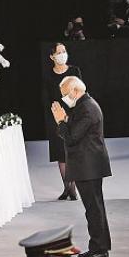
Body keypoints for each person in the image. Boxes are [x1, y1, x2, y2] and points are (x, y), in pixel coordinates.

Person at [51, 76, 112, 257]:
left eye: (65, 94)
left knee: (93, 209)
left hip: (89, 167)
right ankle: (101, 246)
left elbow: (71, 137)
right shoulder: (83, 105)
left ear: (76, 91)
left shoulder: (87, 108)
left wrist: (61, 121)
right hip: (88, 165)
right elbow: (72, 132)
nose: (64, 99)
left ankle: (99, 249)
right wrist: (63, 121)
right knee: (95, 208)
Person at [43, 43, 81, 200]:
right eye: (59, 52)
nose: (62, 54)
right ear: (52, 57)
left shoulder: (74, 71)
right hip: (57, 116)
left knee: (73, 152)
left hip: (74, 115)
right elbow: (48, 98)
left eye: (64, 51)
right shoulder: (48, 75)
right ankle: (68, 188)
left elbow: (80, 91)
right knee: (61, 154)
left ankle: (72, 188)